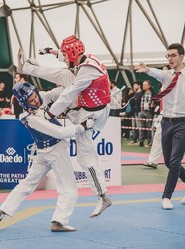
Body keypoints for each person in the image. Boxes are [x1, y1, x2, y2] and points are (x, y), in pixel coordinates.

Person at [19, 34, 112, 218]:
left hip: (92, 114)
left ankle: (103, 196)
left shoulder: (86, 71)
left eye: (64, 54)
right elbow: (65, 58)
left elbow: (68, 95)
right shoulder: (85, 59)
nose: (63, 57)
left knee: (86, 158)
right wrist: (50, 51)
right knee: (60, 74)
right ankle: (27, 67)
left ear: (72, 54)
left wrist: (49, 114)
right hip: (89, 107)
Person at [0, 82, 94, 232]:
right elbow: (59, 132)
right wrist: (83, 126)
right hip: (55, 151)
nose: (36, 101)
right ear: (24, 102)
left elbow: (52, 94)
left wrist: (70, 85)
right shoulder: (30, 118)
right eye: (31, 100)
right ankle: (59, 221)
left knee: (27, 184)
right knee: (68, 188)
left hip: (43, 152)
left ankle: (0, 213)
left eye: (35, 96)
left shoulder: (37, 99)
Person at [135, 43, 185, 210]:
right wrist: (147, 69)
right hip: (166, 123)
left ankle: (166, 197)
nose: (170, 58)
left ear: (182, 56)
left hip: (183, 124)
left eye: (173, 55)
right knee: (168, 162)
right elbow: (157, 73)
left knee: (174, 161)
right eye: (168, 56)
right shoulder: (166, 75)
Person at [137, 80, 155, 147]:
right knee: (141, 127)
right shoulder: (141, 93)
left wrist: (153, 106)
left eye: (145, 85)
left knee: (149, 127)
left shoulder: (153, 94)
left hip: (149, 112)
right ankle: (141, 141)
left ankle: (149, 142)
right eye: (143, 85)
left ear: (149, 86)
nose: (143, 86)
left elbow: (155, 102)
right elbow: (137, 102)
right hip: (141, 111)